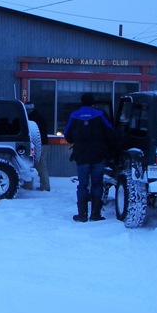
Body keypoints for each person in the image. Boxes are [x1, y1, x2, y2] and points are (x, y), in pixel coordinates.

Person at [64, 93, 114, 222]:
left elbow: (67, 136)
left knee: (83, 185)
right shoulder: (100, 114)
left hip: (81, 155)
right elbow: (111, 131)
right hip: (98, 155)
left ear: (81, 102)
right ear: (93, 103)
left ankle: (82, 215)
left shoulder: (74, 115)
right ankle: (95, 214)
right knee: (97, 183)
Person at [25, 102, 50, 191]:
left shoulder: (30, 119)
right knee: (40, 164)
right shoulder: (40, 117)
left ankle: (28, 185)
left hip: (37, 144)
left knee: (31, 164)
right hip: (44, 143)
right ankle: (45, 185)